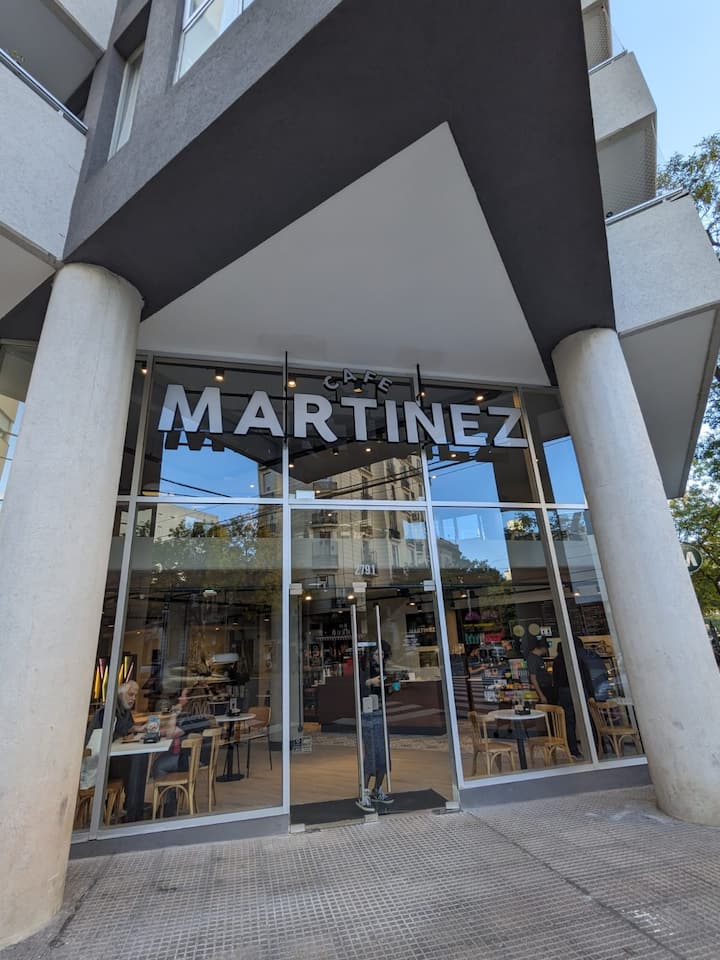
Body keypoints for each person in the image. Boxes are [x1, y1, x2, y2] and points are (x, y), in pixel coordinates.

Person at [152, 684, 216, 816]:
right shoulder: (202, 717)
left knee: (158, 766)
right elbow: (172, 730)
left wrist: (174, 712)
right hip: (198, 758)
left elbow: (171, 734)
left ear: (190, 699)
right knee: (163, 758)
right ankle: (170, 801)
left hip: (190, 760)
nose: (180, 698)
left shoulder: (191, 719)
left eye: (183, 696)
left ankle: (169, 804)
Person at [356, 641, 394, 813]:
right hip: (368, 714)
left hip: (380, 712)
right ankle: (364, 792)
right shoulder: (365, 669)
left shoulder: (383, 670)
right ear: (371, 655)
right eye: (378, 653)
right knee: (371, 752)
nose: (381, 656)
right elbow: (359, 687)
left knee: (383, 752)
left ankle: (377, 789)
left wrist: (391, 686)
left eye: (383, 653)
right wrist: (371, 682)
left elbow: (385, 693)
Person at [551, 642, 585, 758]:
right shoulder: (576, 659)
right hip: (576, 690)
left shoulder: (557, 661)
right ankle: (593, 746)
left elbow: (555, 679)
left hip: (563, 692)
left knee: (569, 721)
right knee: (585, 718)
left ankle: (573, 749)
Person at [527, 638, 553, 704]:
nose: (546, 651)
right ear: (542, 648)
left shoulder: (538, 657)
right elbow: (533, 678)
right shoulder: (532, 659)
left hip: (545, 687)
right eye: (546, 648)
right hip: (542, 688)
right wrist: (541, 695)